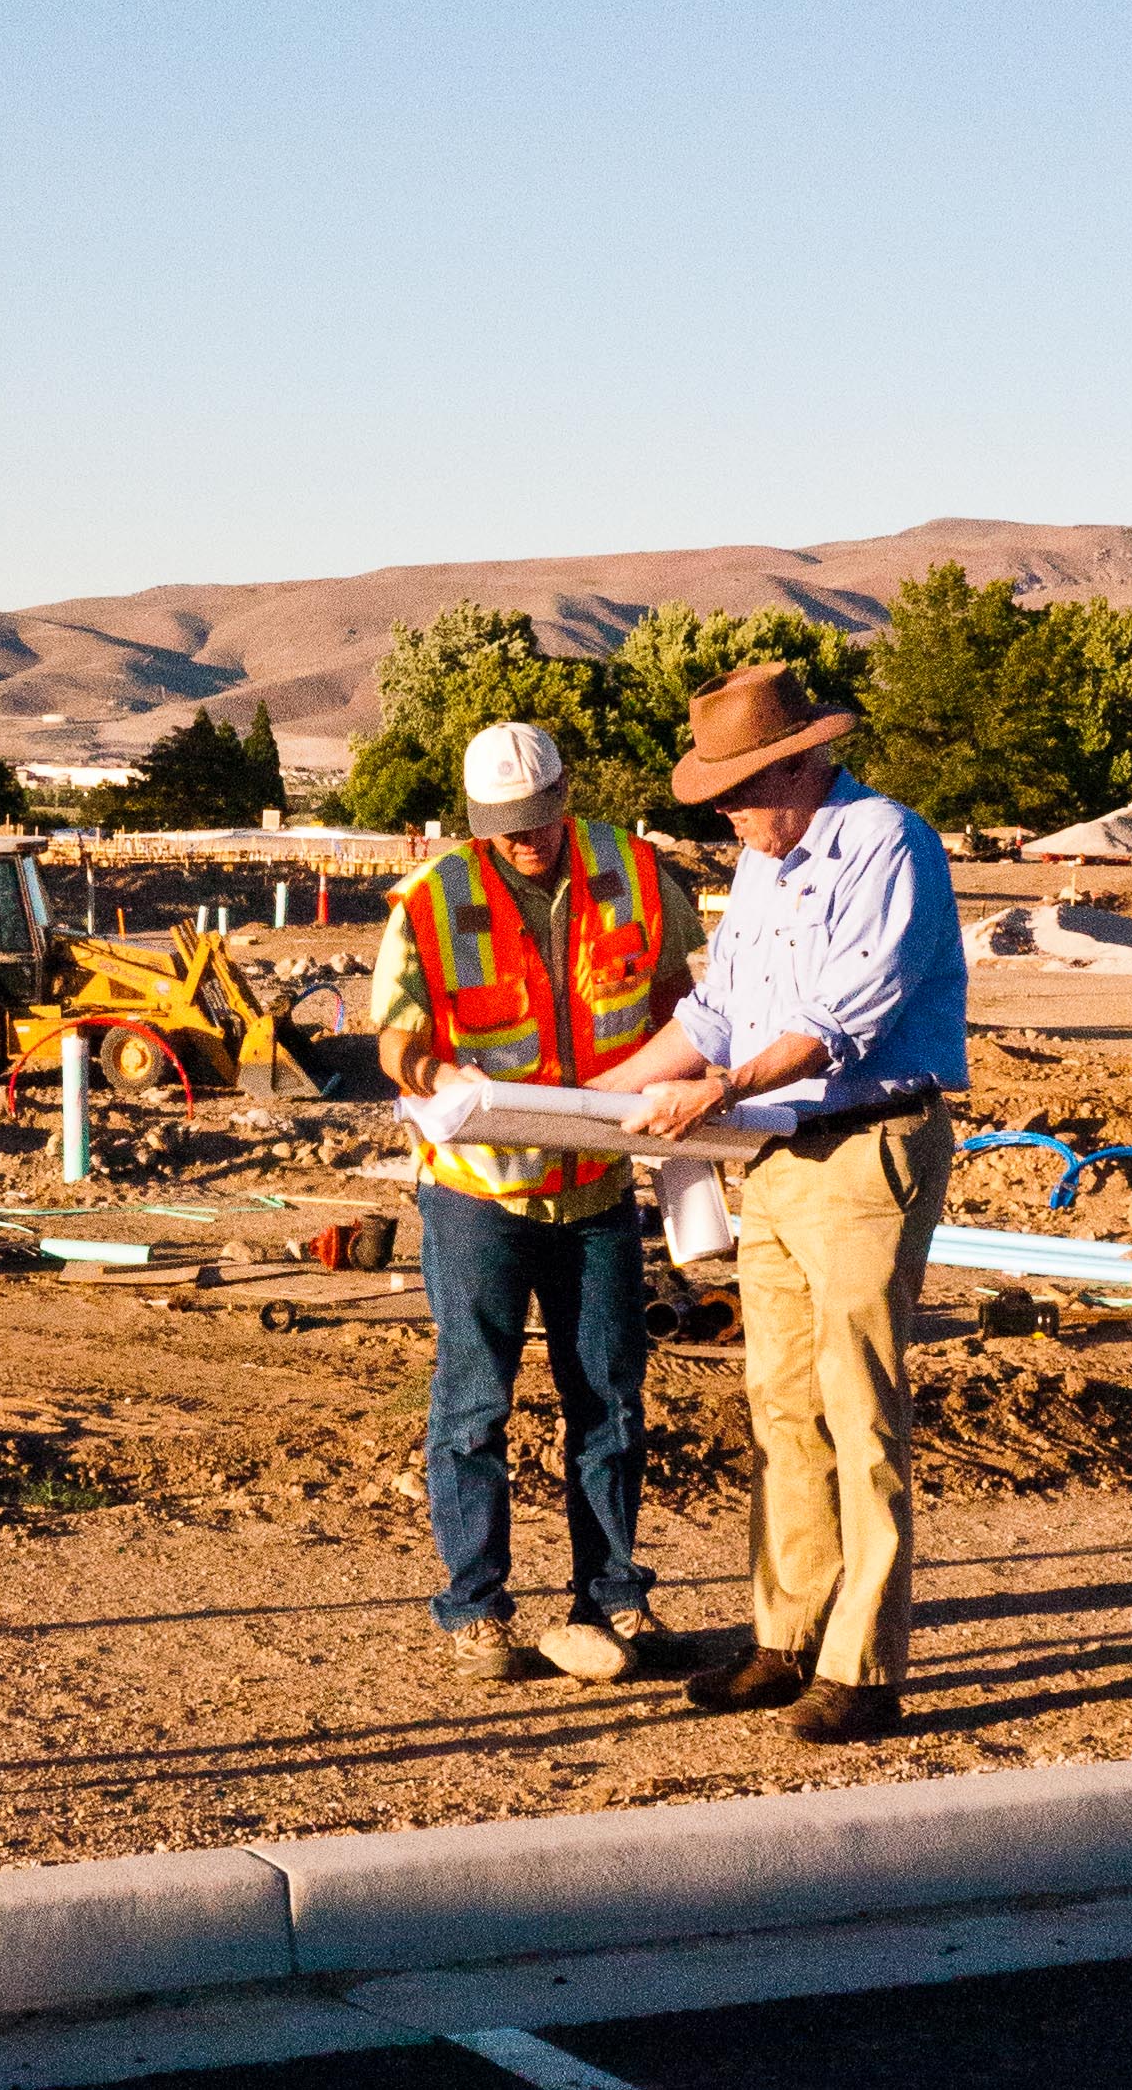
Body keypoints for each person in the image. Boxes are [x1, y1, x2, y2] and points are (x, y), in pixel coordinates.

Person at [600, 660, 964, 1744]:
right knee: (781, 1405)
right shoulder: (761, 865)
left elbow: (835, 1021)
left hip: (863, 1151)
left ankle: (862, 1666)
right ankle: (785, 1633)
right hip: (774, 1152)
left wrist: (718, 1091)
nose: (726, 815)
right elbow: (713, 1015)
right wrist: (587, 1096)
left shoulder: (887, 843)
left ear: (801, 765)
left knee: (860, 1409)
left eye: (738, 792)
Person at [374, 720, 704, 1685]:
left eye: (537, 818)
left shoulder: (635, 872)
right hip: (479, 1189)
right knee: (474, 1403)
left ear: (565, 796)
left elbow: (686, 1000)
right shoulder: (433, 899)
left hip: (596, 1184)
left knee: (609, 1398)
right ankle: (476, 1611)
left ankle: (613, 1596)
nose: (524, 839)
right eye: (503, 825)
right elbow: (393, 1036)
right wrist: (438, 1073)